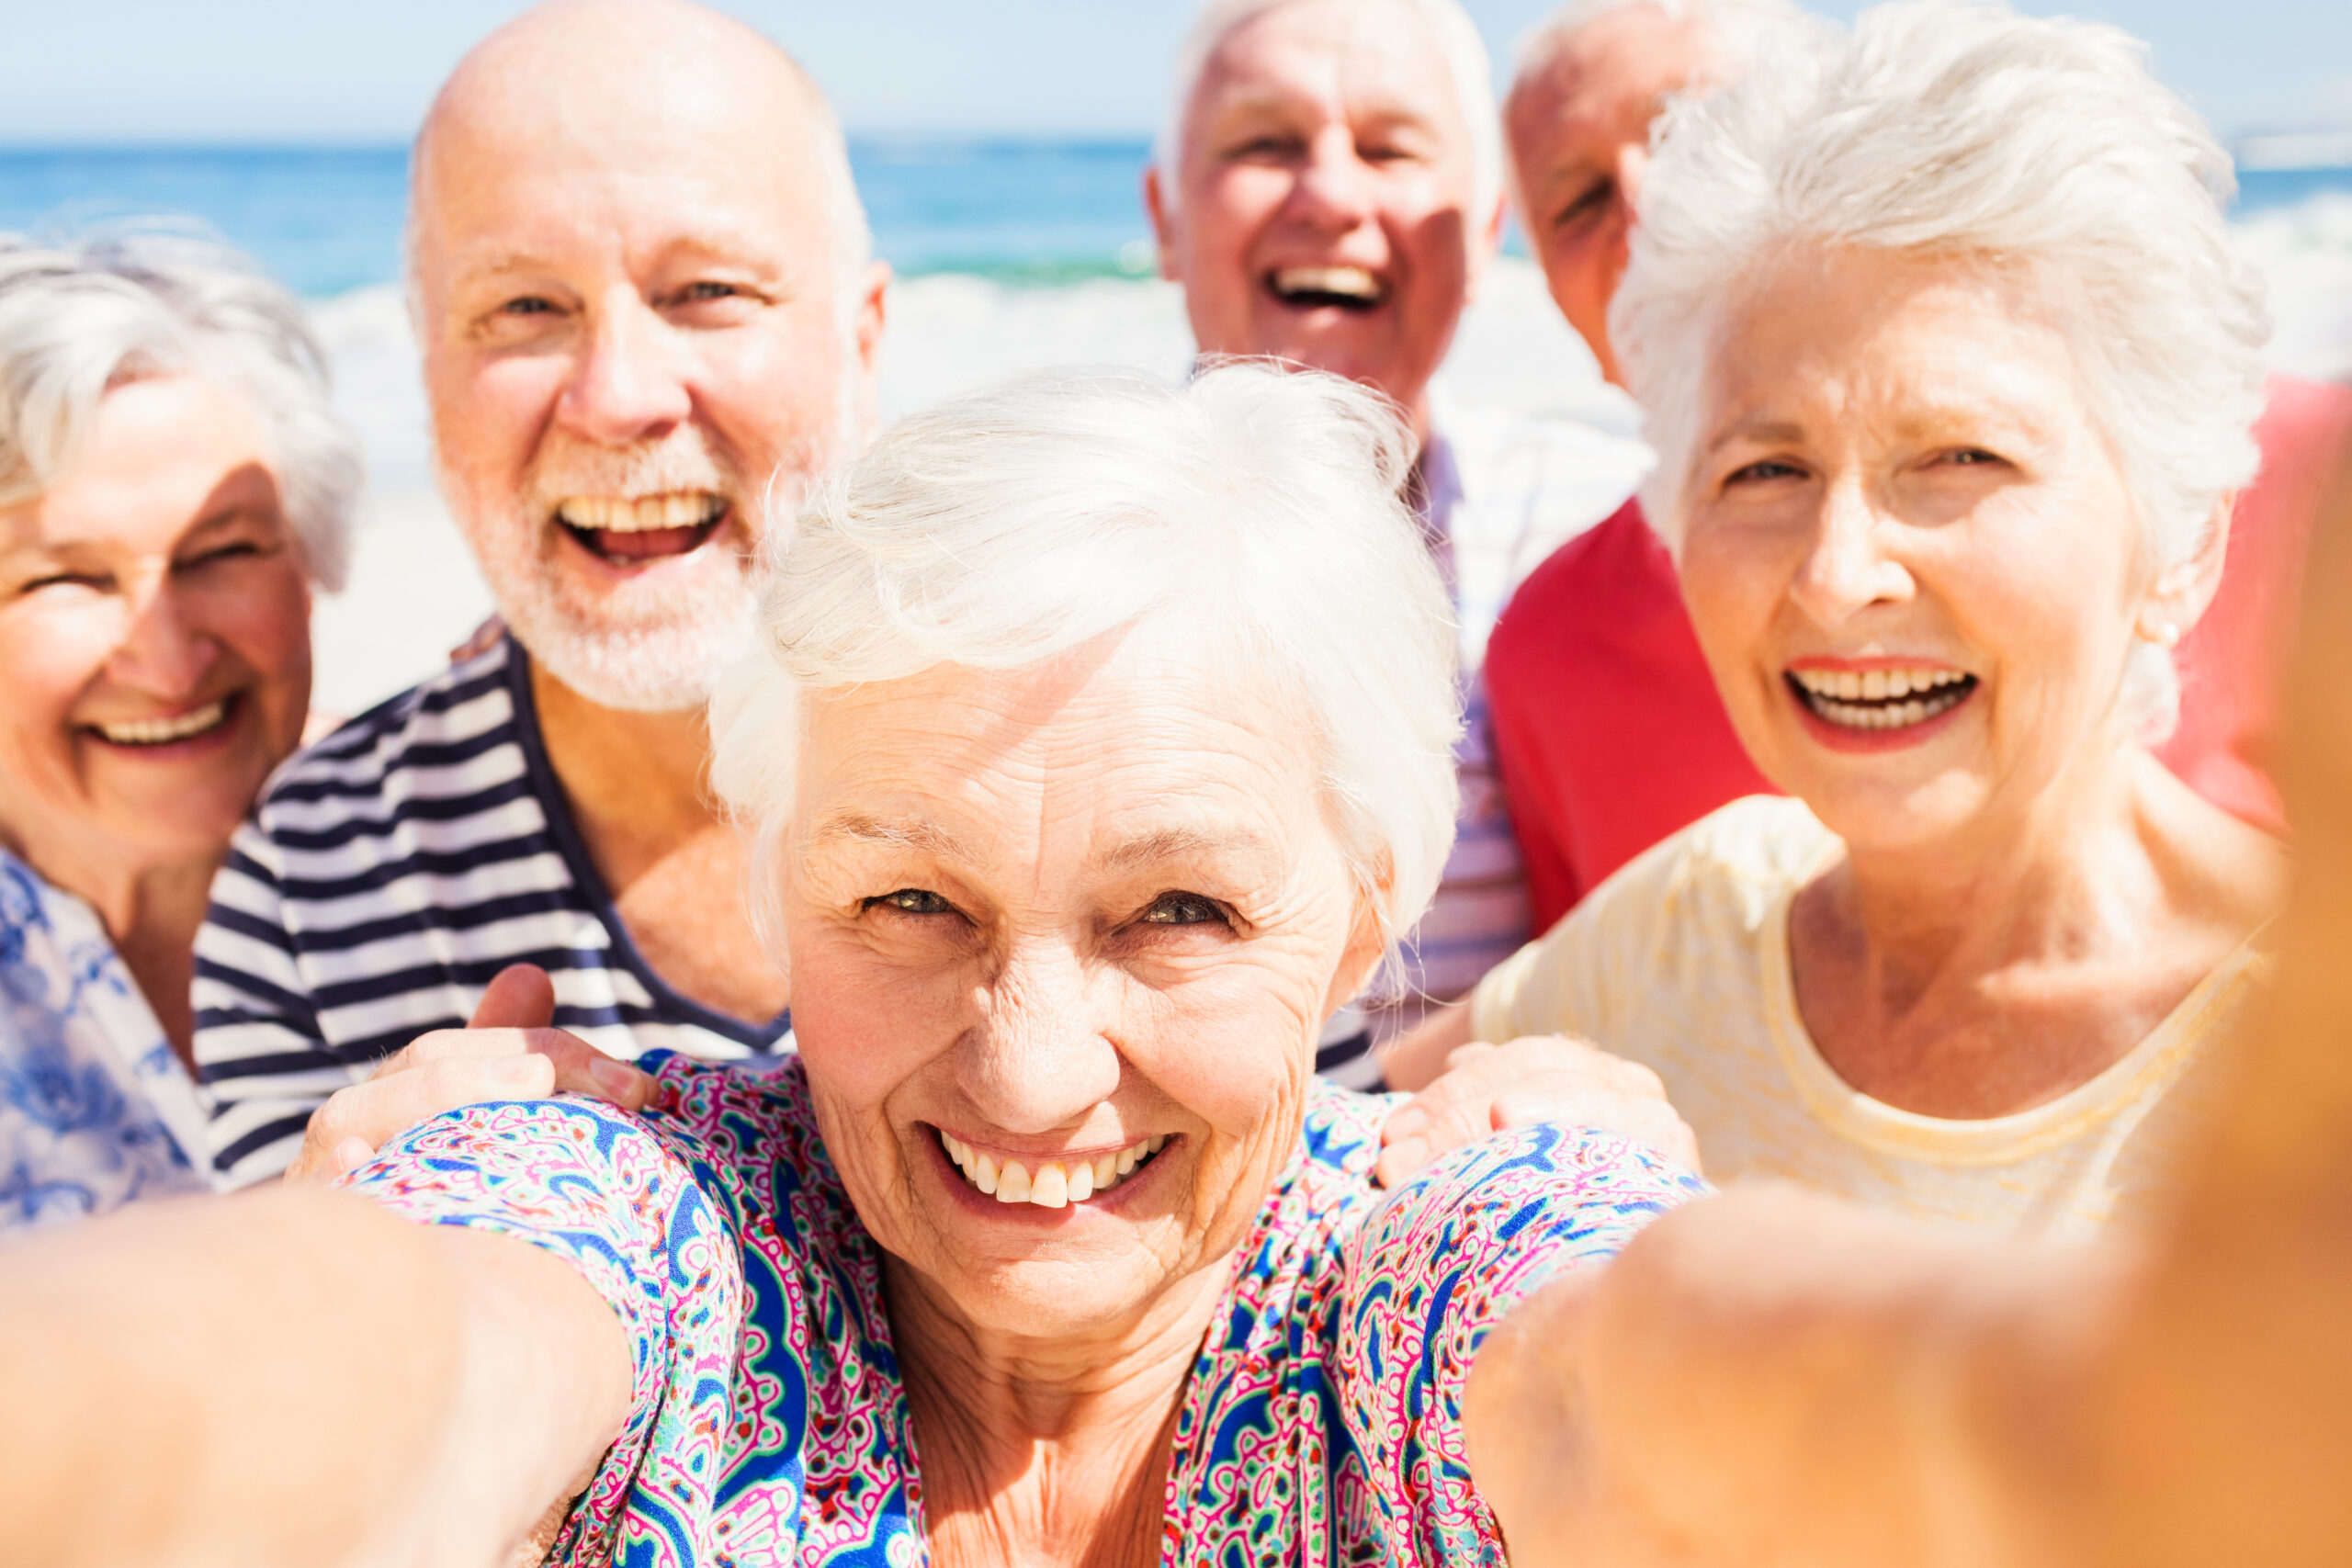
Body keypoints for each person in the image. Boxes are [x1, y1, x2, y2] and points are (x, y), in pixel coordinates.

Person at [0, 364, 1709, 1567]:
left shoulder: (1432, 1238)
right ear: (774, 886)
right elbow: (411, 1354)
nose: (1031, 1069)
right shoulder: (666, 1222)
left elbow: (1717, 1394)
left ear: (1366, 909)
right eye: (907, 902)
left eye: (1176, 910)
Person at [1386, 0, 2286, 1237]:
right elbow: (1306, 1182)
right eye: (1764, 471)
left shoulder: (2306, 1041)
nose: (1837, 573)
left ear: (2185, 541)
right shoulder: (1687, 924)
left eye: (1961, 457)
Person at [189, 0, 891, 1186]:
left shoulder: (1083, 748)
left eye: (706, 290)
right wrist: (329, 1250)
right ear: (426, 374)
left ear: (862, 342)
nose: (618, 396)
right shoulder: (313, 878)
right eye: (524, 309)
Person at [1486, 0, 2352, 931]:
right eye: (1577, 202)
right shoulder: (1550, 659)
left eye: (1700, 135)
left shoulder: (2306, 467)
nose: (1646, 210)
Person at [1145, 0, 1651, 1078]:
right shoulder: (1044, 545)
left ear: (1486, 227)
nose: (1330, 195)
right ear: (1163, 220)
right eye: (1263, 143)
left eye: (1389, 148)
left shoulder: (1617, 535)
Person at [0, 228, 359, 1229]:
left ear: (311, 563)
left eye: (224, 551)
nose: (165, 661)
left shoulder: (444, 835)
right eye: (66, 577)